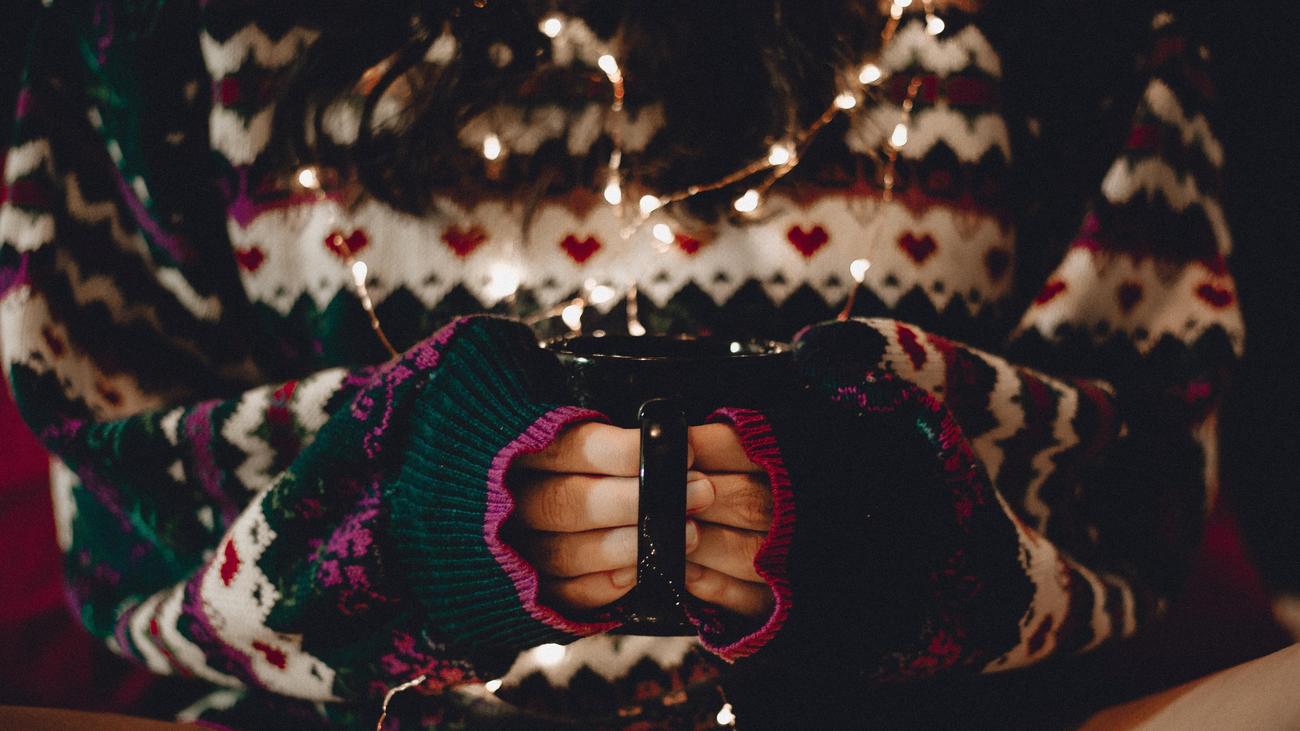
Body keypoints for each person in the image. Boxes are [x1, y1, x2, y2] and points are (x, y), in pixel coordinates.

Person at [0, 1, 1245, 727]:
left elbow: (1137, 481)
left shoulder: (1060, 35)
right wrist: (404, 521)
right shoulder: (154, 42)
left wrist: (887, 524)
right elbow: (126, 513)